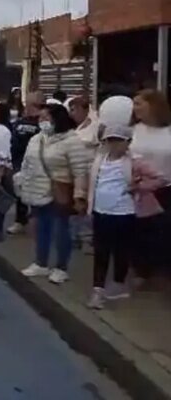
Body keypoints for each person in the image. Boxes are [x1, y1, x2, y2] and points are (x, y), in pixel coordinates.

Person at [85, 125, 166, 309]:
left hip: (124, 213)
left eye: (118, 141)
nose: (114, 145)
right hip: (101, 211)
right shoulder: (99, 160)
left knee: (121, 250)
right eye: (110, 141)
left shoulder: (135, 162)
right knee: (101, 251)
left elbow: (160, 178)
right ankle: (98, 289)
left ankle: (118, 283)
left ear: (128, 143)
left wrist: (139, 187)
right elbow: (93, 182)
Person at [18, 103, 93, 284]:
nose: (42, 121)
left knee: (61, 230)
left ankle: (61, 267)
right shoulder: (37, 139)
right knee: (41, 228)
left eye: (46, 117)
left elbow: (80, 170)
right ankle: (41, 263)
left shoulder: (71, 141)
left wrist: (79, 195)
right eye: (40, 118)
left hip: (60, 191)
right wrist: (22, 183)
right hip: (38, 191)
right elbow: (27, 163)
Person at [129, 89, 171, 282]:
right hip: (139, 189)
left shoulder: (168, 131)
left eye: (139, 103)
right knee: (140, 231)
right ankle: (142, 271)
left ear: (153, 105)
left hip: (166, 188)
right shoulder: (134, 130)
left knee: (162, 232)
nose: (134, 108)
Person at [8, 91, 45, 234]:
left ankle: (38, 221)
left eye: (30, 103)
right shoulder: (20, 122)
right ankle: (20, 220)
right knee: (20, 193)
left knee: (39, 193)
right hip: (20, 162)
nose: (28, 106)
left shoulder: (43, 122)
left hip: (39, 163)